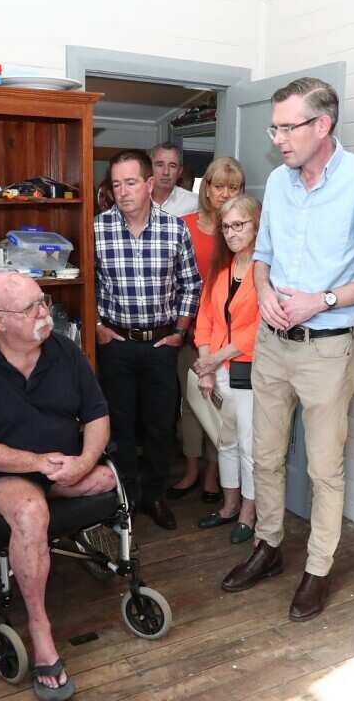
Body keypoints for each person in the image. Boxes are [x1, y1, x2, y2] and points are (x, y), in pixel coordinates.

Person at [222, 77, 354, 623]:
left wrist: (320, 300)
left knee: (325, 469)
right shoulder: (277, 182)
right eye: (273, 128)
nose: (277, 138)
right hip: (272, 345)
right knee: (266, 454)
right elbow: (262, 257)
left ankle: (318, 569)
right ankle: (270, 547)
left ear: (322, 126)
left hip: (327, 350)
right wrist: (265, 293)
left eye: (286, 127)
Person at [0, 272, 117, 701]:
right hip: (10, 474)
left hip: (64, 467)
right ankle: (41, 631)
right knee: (29, 511)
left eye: (43, 302)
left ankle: (61, 496)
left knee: (110, 478)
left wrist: (83, 462)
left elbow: (97, 416)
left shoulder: (65, 351)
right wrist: (36, 464)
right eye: (32, 308)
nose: (45, 313)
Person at [95, 149, 203, 531]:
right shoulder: (96, 229)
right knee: (119, 427)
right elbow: (85, 284)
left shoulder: (175, 229)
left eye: (131, 182)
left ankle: (154, 496)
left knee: (160, 425)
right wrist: (96, 326)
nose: (123, 192)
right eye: (117, 184)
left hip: (161, 345)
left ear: (149, 183)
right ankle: (124, 500)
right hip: (116, 345)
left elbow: (192, 283)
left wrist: (179, 331)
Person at [168, 156, 246, 505]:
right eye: (219, 186)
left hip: (230, 339)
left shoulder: (243, 229)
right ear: (206, 189)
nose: (225, 193)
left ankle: (215, 476)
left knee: (221, 408)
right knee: (191, 404)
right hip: (191, 331)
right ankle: (190, 470)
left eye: (233, 187)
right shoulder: (183, 226)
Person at [186, 194, 261, 543]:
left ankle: (249, 512)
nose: (231, 233)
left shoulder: (267, 270)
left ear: (256, 225)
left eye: (239, 225)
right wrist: (206, 367)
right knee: (225, 441)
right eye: (226, 227)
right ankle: (229, 506)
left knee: (248, 445)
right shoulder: (221, 269)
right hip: (217, 368)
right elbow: (205, 319)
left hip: (249, 370)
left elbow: (260, 328)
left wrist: (214, 359)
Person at [148, 142, 199, 217]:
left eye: (172, 166)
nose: (166, 172)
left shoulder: (194, 203)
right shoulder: (135, 199)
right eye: (160, 165)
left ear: (179, 171)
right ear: (149, 167)